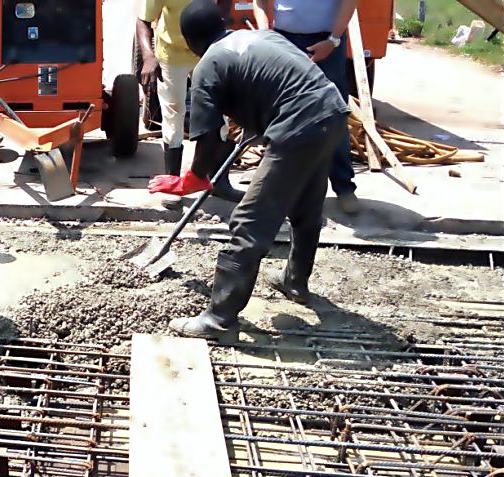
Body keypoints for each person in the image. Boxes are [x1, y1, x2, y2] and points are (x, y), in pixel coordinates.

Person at [161, 1, 349, 339]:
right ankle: (295, 281)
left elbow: (207, 138)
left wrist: (191, 179)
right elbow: (286, 80)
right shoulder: (261, 37)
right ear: (225, 22)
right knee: (306, 208)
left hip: (300, 125)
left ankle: (219, 320)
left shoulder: (208, 65)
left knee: (250, 221)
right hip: (332, 111)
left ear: (189, 41)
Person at [252, 0, 361, 214]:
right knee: (285, 115)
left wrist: (333, 40)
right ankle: (284, 186)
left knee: (333, 113)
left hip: (327, 40)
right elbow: (259, 2)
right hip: (284, 39)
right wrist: (266, 33)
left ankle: (344, 187)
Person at [138, 0, 245, 203]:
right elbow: (143, 20)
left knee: (220, 115)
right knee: (173, 113)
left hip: (207, 49)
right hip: (172, 54)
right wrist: (148, 56)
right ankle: (173, 182)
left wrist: (215, 21)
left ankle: (218, 181)